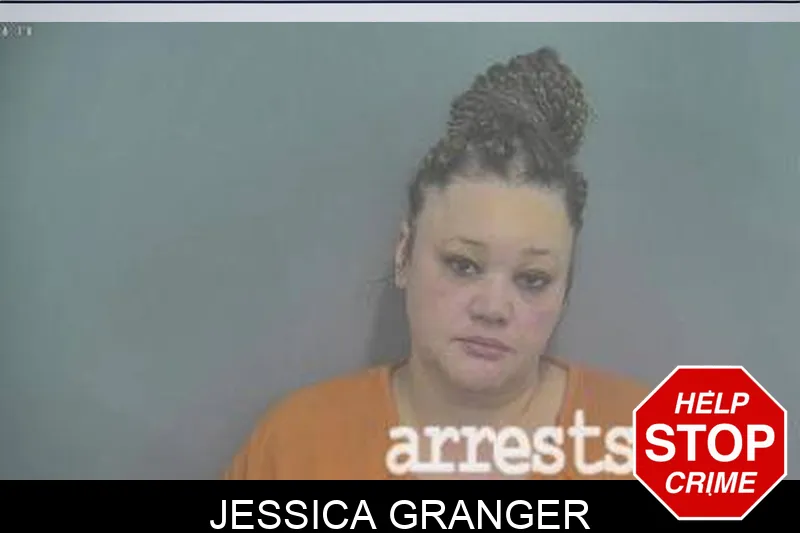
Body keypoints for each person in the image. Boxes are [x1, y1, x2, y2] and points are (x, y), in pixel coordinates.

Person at [224, 47, 651, 480]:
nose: (493, 308)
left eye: (532, 279)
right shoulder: (296, 445)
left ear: (566, 291)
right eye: (463, 264)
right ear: (403, 256)